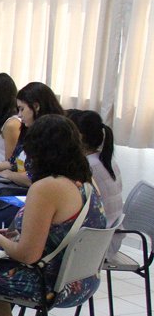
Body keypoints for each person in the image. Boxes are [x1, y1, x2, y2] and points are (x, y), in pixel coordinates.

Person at [0, 114, 106, 316]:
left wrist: (0, 240)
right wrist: (16, 237)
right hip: (84, 279)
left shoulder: (47, 187)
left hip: (52, 285)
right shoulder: (88, 182)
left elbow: (27, 255)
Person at [0, 82, 64, 230]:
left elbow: (34, 179)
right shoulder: (27, 128)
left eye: (22, 109)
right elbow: (13, 161)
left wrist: (9, 175)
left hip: (31, 196)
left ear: (36, 106)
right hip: (13, 188)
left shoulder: (52, 134)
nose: (19, 115)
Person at [67, 109, 123, 257]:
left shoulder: (86, 167)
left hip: (98, 244)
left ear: (79, 136)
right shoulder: (104, 158)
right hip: (109, 237)